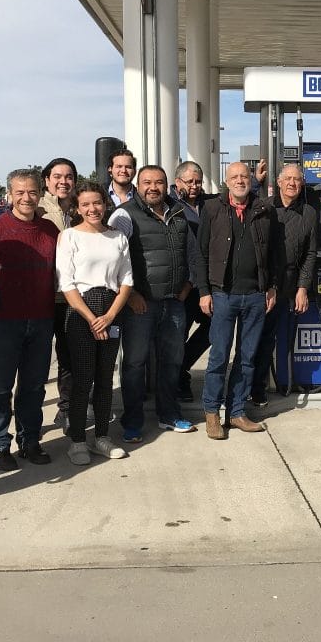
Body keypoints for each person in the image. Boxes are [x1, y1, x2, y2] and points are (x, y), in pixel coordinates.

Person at [0, 169, 60, 470]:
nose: (26, 198)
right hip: (2, 322)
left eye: (32, 192)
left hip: (41, 320)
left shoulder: (50, 231)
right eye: (20, 192)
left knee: (34, 386)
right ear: (9, 195)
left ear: (40, 194)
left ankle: (30, 440)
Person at [108, 165, 199, 442]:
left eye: (159, 182)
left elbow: (192, 254)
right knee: (135, 364)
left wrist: (187, 285)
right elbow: (113, 259)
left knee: (172, 362)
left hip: (173, 303)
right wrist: (130, 295)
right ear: (138, 186)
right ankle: (132, 422)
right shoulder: (124, 215)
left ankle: (169, 415)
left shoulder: (179, 213)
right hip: (140, 306)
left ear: (166, 184)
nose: (153, 187)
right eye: (147, 182)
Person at [195, 161, 280, 439]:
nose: (240, 180)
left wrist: (271, 287)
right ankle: (211, 413)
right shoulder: (212, 209)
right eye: (235, 176)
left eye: (244, 176)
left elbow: (275, 253)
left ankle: (237, 412)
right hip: (223, 294)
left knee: (247, 358)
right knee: (219, 356)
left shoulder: (265, 209)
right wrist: (204, 291)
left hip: (255, 295)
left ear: (250, 180)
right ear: (226, 181)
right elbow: (201, 253)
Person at [56, 182, 133, 465]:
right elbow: (66, 283)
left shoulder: (117, 237)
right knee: (82, 378)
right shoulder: (69, 236)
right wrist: (91, 318)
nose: (93, 209)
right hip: (81, 311)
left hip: (111, 308)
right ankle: (77, 440)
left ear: (105, 203)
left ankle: (102, 436)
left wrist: (109, 316)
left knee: (104, 378)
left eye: (97, 202)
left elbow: (126, 280)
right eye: (86, 204)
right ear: (77, 208)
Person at [248, 163, 317, 405]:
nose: (292, 183)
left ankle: (259, 388)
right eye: (287, 179)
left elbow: (310, 254)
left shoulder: (309, 213)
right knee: (253, 339)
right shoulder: (264, 207)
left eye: (296, 179)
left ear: (302, 184)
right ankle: (245, 388)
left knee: (270, 338)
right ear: (278, 182)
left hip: (288, 284)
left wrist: (302, 288)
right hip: (262, 284)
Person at [39, 157, 79, 433]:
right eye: (57, 176)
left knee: (68, 358)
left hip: (71, 298)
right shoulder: (37, 208)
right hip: (42, 297)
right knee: (37, 362)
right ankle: (30, 416)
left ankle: (66, 409)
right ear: (47, 180)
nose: (63, 182)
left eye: (69, 177)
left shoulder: (80, 209)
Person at [171, 160, 215, 403]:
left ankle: (182, 366)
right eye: (190, 182)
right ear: (178, 181)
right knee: (178, 334)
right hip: (183, 285)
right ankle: (176, 379)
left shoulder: (209, 203)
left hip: (206, 283)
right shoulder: (169, 205)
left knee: (213, 328)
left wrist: (256, 182)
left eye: (198, 181)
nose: (195, 186)